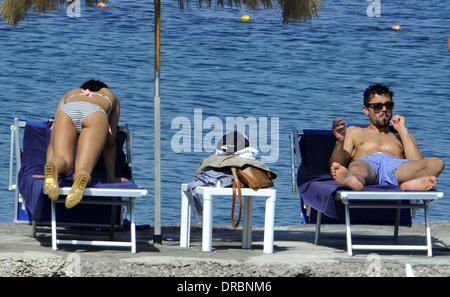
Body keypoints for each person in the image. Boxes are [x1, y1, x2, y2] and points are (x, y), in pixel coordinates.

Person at [329, 83, 445, 191]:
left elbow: (417, 164)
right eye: (378, 106)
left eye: (388, 105)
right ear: (366, 110)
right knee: (357, 168)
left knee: (437, 163)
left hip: (397, 169)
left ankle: (407, 184)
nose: (384, 109)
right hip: (367, 166)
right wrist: (339, 141)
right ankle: (354, 181)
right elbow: (338, 164)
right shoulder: (354, 131)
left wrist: (403, 131)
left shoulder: (402, 135)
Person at [44, 79, 120, 209]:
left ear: (84, 88)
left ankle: (53, 168)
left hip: (68, 111)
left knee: (62, 160)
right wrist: (111, 178)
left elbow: (52, 140)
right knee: (83, 170)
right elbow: (110, 143)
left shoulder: (72, 93)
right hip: (95, 113)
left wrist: (49, 161)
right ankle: (80, 178)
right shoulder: (109, 95)